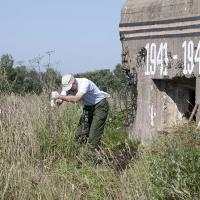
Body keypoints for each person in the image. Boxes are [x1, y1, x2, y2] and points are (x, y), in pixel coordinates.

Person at [56, 74, 109, 158]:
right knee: (80, 134)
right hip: (88, 107)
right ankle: (80, 155)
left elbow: (77, 99)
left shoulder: (85, 83)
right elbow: (60, 100)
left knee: (94, 135)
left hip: (100, 106)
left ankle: (93, 159)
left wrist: (59, 96)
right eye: (68, 89)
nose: (69, 90)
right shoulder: (67, 85)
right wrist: (56, 101)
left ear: (74, 82)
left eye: (70, 88)